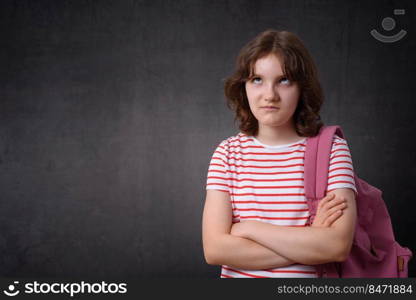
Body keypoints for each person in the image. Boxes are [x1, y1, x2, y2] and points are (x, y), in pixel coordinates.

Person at [202, 29, 358, 278]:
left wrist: (249, 228)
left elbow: (336, 247)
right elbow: (214, 249)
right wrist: (310, 240)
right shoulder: (227, 154)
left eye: (283, 80)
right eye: (257, 80)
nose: (270, 95)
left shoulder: (333, 150)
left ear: (301, 88)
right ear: (244, 86)